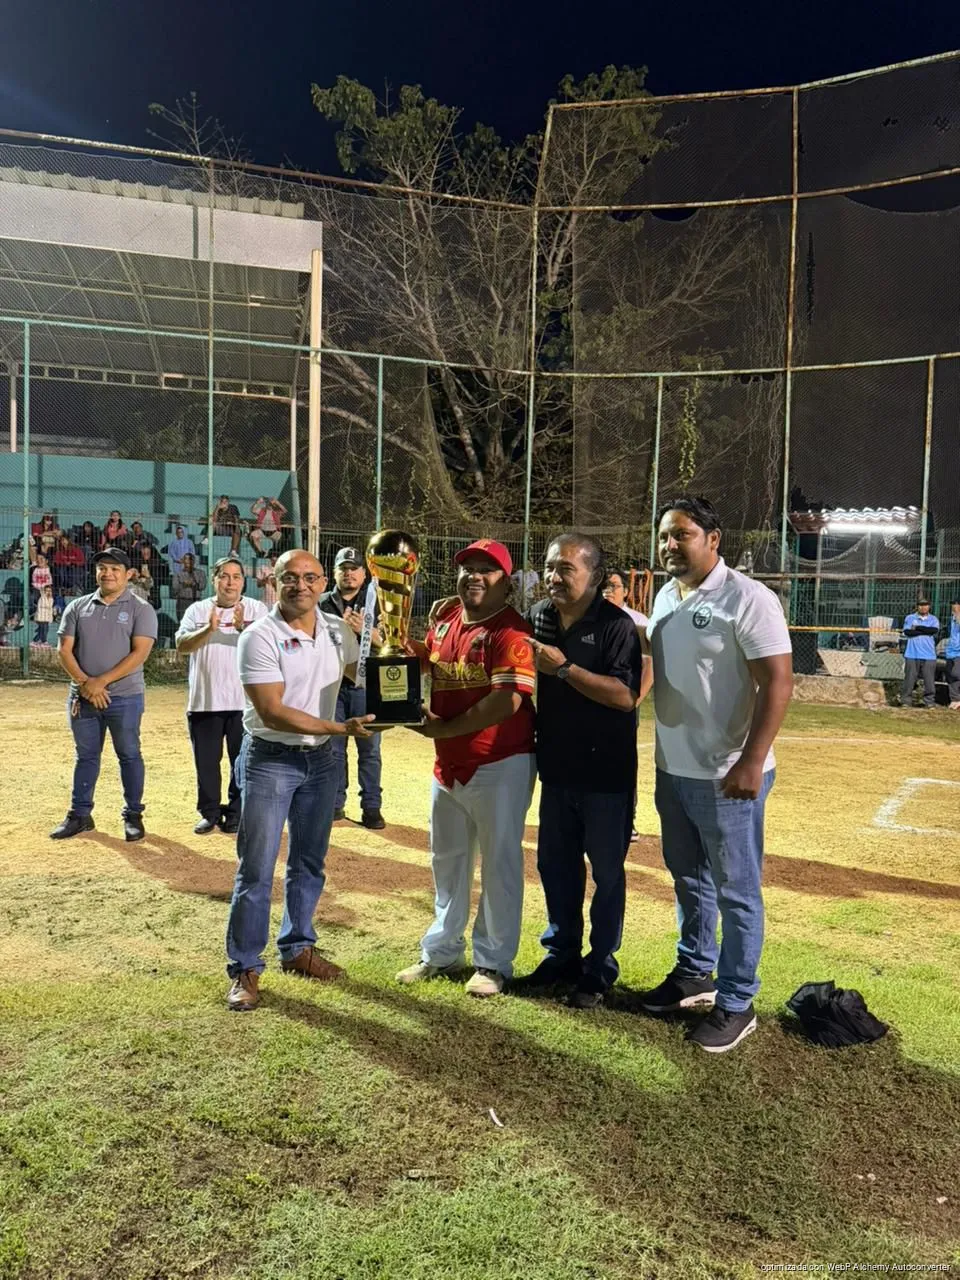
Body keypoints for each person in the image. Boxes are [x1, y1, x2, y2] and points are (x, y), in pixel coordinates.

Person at [638, 495, 793, 1054]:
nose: (669, 545)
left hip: (727, 774)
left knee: (736, 891)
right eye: (664, 535)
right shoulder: (665, 595)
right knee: (688, 879)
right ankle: (694, 973)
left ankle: (737, 1000)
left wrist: (751, 760)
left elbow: (778, 681)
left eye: (681, 534)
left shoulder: (748, 598)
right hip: (673, 768)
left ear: (713, 539)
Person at [225, 549, 380, 1012]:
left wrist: (391, 651)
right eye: (290, 577)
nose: (301, 585)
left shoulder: (335, 630)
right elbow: (273, 711)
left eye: (310, 577)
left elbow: (359, 674)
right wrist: (339, 728)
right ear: (275, 582)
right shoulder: (259, 636)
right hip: (271, 759)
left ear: (322, 583)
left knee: (309, 862)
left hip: (322, 761)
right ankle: (245, 967)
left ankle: (297, 948)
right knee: (257, 868)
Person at [396, 539, 537, 998]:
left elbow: (506, 701)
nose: (474, 576)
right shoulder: (445, 618)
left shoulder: (512, 630)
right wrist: (396, 643)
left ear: (506, 583)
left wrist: (444, 728)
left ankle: (493, 962)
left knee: (499, 864)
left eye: (487, 570)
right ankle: (441, 951)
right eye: (467, 568)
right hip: (449, 764)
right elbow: (433, 662)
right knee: (447, 862)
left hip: (500, 761)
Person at [520, 531, 643, 1010]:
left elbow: (625, 696)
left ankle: (600, 966)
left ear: (594, 575)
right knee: (555, 866)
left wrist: (565, 669)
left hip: (606, 774)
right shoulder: (540, 616)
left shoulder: (616, 625)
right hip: (557, 769)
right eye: (550, 566)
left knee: (607, 873)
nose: (554, 576)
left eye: (566, 568)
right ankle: (562, 955)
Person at [50, 548, 158, 842]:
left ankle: (133, 814)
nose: (107, 573)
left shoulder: (141, 609)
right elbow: (64, 650)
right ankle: (80, 815)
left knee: (129, 754)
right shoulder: (78, 607)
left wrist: (101, 682)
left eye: (114, 569)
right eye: (102, 568)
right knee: (85, 756)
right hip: (83, 697)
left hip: (125, 698)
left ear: (128, 574)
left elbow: (140, 653)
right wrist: (86, 684)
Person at [176, 556, 268, 835]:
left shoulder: (257, 609)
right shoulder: (197, 610)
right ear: (214, 580)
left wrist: (243, 629)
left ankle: (237, 812)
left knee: (242, 762)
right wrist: (209, 629)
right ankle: (210, 812)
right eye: (224, 576)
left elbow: (269, 647)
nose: (230, 582)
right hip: (205, 701)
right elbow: (182, 645)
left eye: (236, 576)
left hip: (245, 703)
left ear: (243, 581)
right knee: (206, 763)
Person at [319, 547, 386, 827]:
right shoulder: (321, 603)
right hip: (332, 686)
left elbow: (390, 643)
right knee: (334, 748)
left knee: (369, 750)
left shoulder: (377, 602)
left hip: (366, 686)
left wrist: (365, 631)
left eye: (354, 568)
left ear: (364, 573)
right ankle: (335, 804)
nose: (348, 573)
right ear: (334, 573)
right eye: (343, 568)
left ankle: (371, 807)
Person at [900, 600, 940, 709]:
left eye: (925, 605)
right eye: (921, 605)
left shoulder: (933, 619)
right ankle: (906, 701)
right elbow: (908, 632)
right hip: (912, 653)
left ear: (929, 606)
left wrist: (917, 628)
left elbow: (933, 630)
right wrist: (925, 630)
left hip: (929, 655)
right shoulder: (910, 618)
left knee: (929, 680)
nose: (923, 607)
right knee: (909, 679)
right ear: (917, 607)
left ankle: (929, 702)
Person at [171, 553, 206, 621]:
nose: (188, 561)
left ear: (194, 561)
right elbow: (175, 587)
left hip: (196, 601)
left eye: (190, 559)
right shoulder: (178, 574)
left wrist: (194, 584)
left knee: (196, 622)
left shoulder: (200, 573)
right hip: (182, 602)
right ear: (183, 561)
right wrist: (184, 584)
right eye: (186, 559)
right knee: (182, 622)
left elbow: (203, 586)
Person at [53, 532, 86, 599]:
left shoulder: (76, 549)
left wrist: (72, 562)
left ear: (68, 540)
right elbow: (56, 560)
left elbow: (82, 561)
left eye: (64, 540)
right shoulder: (59, 550)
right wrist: (64, 563)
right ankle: (63, 589)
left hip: (74, 567)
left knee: (75, 573)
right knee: (61, 572)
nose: (63, 542)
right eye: (61, 540)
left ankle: (76, 590)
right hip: (63, 567)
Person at [946, 600, 960, 710]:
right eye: (953, 607)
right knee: (950, 676)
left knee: (956, 673)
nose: (954, 609)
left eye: (956, 607)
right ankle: (955, 699)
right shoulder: (952, 619)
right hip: (950, 652)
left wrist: (958, 615)